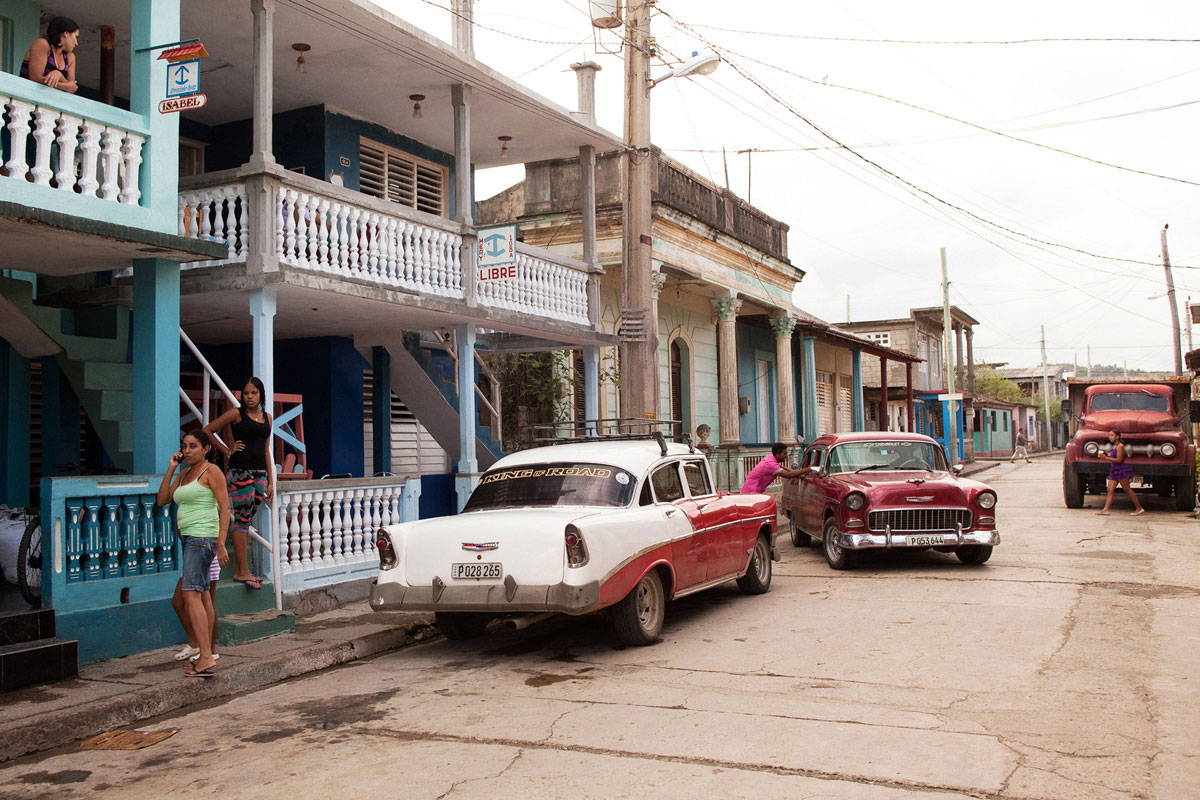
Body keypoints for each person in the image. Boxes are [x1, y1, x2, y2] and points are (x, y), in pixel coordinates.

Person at [156, 430, 230, 677]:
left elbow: (226, 508)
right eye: (184, 446)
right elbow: (162, 500)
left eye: (193, 446)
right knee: (201, 596)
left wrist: (221, 543)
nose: (187, 451)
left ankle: (206, 656)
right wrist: (171, 469)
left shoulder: (211, 471)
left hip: (202, 538)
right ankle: (205, 652)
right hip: (189, 539)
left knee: (191, 596)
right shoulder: (185, 473)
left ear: (206, 448)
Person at [204, 377, 275, 589]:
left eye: (254, 393)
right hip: (240, 472)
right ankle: (242, 571)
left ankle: (245, 569)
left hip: (259, 473)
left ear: (261, 394)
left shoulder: (267, 418)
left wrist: (271, 480)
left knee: (246, 521)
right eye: (246, 393)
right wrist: (227, 450)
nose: (250, 397)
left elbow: (265, 450)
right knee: (242, 520)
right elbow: (208, 431)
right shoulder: (236, 414)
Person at [170, 550, 219, 663]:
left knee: (207, 602)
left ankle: (210, 650)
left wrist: (220, 546)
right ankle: (194, 644)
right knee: (178, 603)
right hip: (192, 557)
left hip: (203, 554)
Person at [20, 16, 80, 93]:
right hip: (28, 96)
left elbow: (73, 88)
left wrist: (60, 76)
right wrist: (64, 86)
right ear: (66, 33)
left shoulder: (70, 57)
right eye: (75, 36)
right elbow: (35, 79)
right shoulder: (42, 44)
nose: (76, 43)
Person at [1095, 430, 1145, 516]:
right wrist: (1107, 455)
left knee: (1127, 489)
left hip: (1121, 470)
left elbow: (1119, 460)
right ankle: (1105, 509)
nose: (1110, 437)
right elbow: (1113, 456)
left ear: (1117, 436)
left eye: (1112, 435)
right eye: (1109, 435)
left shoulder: (1120, 446)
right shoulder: (1115, 446)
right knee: (1110, 490)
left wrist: (1105, 458)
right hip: (1114, 470)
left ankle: (1139, 508)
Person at [741, 442, 808, 494]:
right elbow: (788, 475)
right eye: (784, 454)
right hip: (751, 493)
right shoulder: (770, 464)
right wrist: (809, 469)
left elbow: (786, 470)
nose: (786, 456)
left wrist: (799, 475)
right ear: (777, 455)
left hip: (753, 492)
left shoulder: (770, 458)